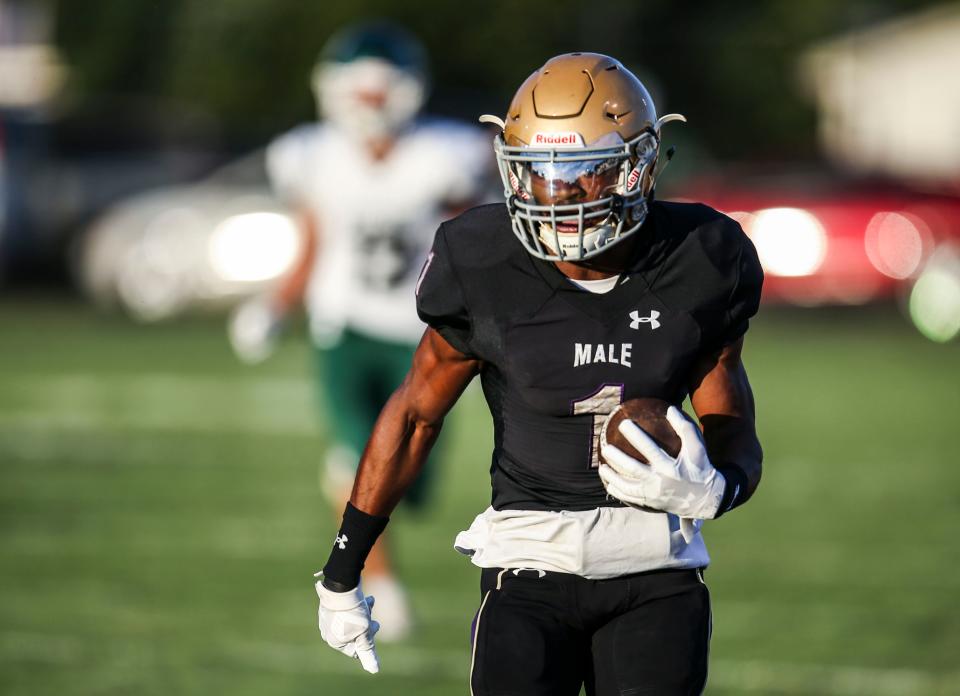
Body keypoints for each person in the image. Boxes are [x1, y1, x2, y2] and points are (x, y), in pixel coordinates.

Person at [313, 52, 764, 695]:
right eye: (539, 174)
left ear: (639, 164)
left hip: (656, 566)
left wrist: (720, 490)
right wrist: (342, 570)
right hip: (527, 560)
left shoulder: (704, 256)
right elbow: (415, 415)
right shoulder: (483, 258)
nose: (558, 194)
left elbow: (731, 419)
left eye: (584, 172)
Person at [228, 22, 492, 641]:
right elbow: (314, 240)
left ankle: (382, 562)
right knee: (357, 458)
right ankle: (382, 588)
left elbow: (474, 243)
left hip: (422, 332)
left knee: (412, 478)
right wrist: (276, 305)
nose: (369, 107)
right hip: (342, 329)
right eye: (360, 93)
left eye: (380, 93)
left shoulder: (445, 153)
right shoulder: (312, 154)